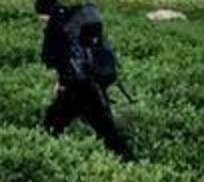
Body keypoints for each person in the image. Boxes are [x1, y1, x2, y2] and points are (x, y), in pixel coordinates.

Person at [37, 0, 136, 160]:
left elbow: (54, 58)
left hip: (76, 86)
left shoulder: (56, 24)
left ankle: (45, 161)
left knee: (52, 124)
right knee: (106, 129)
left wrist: (61, 83)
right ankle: (128, 161)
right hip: (91, 81)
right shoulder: (76, 19)